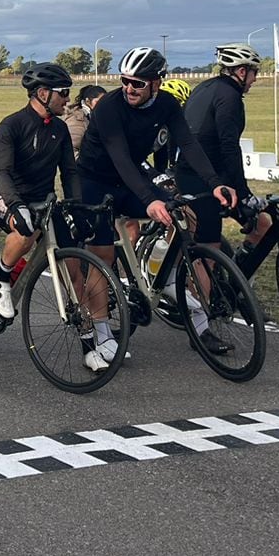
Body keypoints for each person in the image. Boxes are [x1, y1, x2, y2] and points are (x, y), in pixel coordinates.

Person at [75, 46, 238, 352]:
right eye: (125, 81)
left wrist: (215, 183)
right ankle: (101, 332)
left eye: (137, 83)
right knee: (102, 255)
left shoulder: (166, 104)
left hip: (130, 176)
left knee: (185, 213)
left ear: (156, 83)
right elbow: (121, 158)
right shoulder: (109, 107)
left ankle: (170, 281)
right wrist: (150, 199)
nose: (129, 88)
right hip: (95, 181)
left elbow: (188, 143)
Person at [0, 63, 111, 361]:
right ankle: (1, 276)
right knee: (25, 232)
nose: (67, 99)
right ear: (42, 93)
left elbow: (69, 172)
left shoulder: (59, 129)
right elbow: (2, 171)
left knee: (72, 268)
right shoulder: (11, 125)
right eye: (62, 93)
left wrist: (77, 207)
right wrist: (16, 205)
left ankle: (89, 345)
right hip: (9, 197)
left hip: (45, 202)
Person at [180, 43, 273, 277]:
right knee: (208, 248)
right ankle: (198, 307)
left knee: (262, 225)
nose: (255, 79)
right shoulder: (230, 97)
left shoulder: (204, 87)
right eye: (255, 73)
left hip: (196, 173)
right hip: (202, 180)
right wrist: (244, 192)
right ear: (242, 72)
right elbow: (229, 147)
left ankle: (234, 280)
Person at [63, 83, 104, 154]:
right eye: (98, 102)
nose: (102, 105)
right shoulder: (77, 120)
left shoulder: (96, 117)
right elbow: (71, 149)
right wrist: (87, 163)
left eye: (104, 102)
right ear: (88, 101)